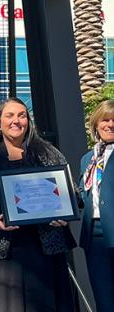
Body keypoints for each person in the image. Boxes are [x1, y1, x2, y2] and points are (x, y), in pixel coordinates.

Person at [0, 97, 76, 312]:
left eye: (22, 115)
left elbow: (72, 193)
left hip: (45, 248)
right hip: (2, 251)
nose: (16, 121)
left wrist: (64, 214)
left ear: (28, 121)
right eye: (9, 115)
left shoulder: (48, 153)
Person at [80, 99, 114, 312]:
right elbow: (81, 193)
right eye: (105, 120)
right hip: (94, 237)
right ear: (96, 124)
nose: (110, 124)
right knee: (104, 301)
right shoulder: (87, 159)